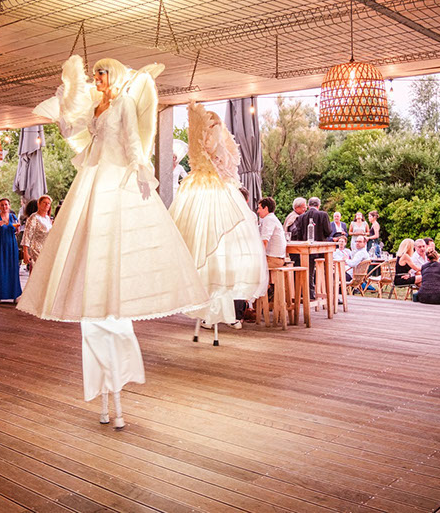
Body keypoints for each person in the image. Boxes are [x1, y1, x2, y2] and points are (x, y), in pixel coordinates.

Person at [18, 55, 209, 429]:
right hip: (92, 177)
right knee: (89, 267)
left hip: (116, 176)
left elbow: (133, 140)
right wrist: (65, 113)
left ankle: (116, 388)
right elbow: (81, 135)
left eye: (102, 72)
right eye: (96, 73)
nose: (97, 77)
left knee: (115, 265)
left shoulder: (122, 104)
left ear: (115, 74)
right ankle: (106, 395)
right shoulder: (97, 104)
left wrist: (141, 169)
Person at [169, 102, 267, 338]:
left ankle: (220, 312)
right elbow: (220, 162)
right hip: (207, 188)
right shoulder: (210, 146)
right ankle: (211, 310)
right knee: (202, 244)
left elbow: (225, 164)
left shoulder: (219, 146)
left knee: (211, 247)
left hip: (210, 188)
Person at [0, 198, 23, 303]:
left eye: (6, 205)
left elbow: (16, 232)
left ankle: (15, 295)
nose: (4, 207)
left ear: (9, 206)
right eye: (2, 205)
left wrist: (17, 230)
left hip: (11, 246)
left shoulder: (13, 217)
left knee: (13, 268)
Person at [21, 195, 53, 272]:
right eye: (44, 203)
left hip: (46, 248)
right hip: (36, 249)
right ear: (39, 204)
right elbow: (27, 235)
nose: (46, 205)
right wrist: (25, 253)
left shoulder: (47, 218)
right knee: (37, 271)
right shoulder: (34, 217)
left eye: (48, 203)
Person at [257, 197, 287, 268]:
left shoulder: (268, 219)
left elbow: (264, 241)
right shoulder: (271, 218)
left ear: (266, 208)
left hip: (273, 259)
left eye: (259, 208)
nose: (258, 211)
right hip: (277, 257)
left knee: (246, 265)